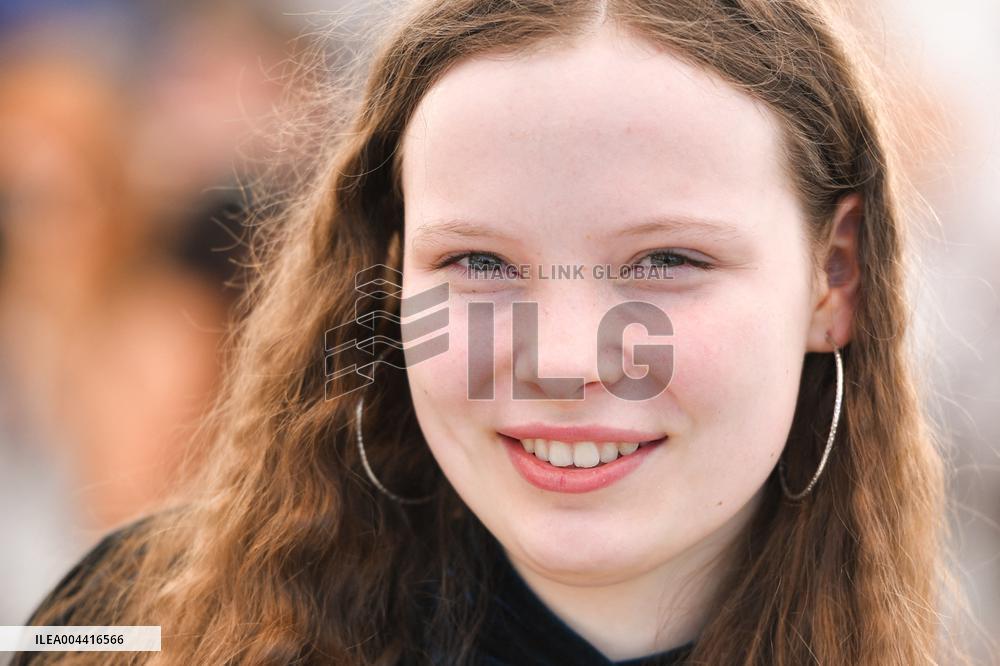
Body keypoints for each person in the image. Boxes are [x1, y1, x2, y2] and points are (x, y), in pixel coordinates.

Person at [13, 0, 976, 664]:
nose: (561, 361)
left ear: (833, 276)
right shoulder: (129, 631)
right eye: (478, 264)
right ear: (386, 278)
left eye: (668, 262)